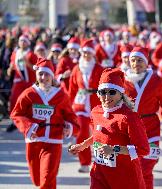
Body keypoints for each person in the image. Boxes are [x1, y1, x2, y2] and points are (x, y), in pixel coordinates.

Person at [69, 68, 150, 189]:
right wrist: (83, 145)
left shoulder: (128, 116)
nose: (106, 97)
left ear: (121, 94)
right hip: (99, 173)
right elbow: (98, 135)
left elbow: (143, 149)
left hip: (124, 176)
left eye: (112, 92)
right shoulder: (96, 111)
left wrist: (114, 149)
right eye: (103, 92)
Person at [10, 58, 80, 189]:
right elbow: (16, 114)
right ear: (36, 75)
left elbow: (72, 117)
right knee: (37, 179)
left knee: (47, 178)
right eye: (40, 74)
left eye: (47, 74)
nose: (43, 77)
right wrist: (28, 126)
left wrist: (69, 127)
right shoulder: (29, 93)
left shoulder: (61, 95)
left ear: (52, 76)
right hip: (33, 142)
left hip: (53, 142)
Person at [124, 46, 162, 189]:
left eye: (140, 60)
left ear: (146, 62)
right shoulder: (123, 80)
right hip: (129, 128)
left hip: (151, 128)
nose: (136, 63)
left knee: (146, 166)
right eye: (133, 60)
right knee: (132, 167)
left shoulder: (155, 80)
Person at [68, 39, 104, 173]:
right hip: (81, 104)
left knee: (99, 133)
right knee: (81, 132)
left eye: (89, 53)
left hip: (96, 103)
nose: (86, 55)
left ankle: (101, 161)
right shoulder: (76, 68)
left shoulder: (99, 68)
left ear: (93, 54)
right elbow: (72, 88)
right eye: (84, 53)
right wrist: (69, 106)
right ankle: (84, 162)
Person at [7, 34, 38, 132]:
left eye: (24, 41)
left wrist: (27, 63)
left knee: (29, 101)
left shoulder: (31, 54)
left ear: (28, 43)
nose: (22, 43)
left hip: (29, 82)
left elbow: (36, 69)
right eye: (20, 41)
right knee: (13, 100)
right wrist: (10, 69)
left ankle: (30, 122)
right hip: (18, 81)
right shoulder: (15, 53)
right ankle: (15, 121)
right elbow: (12, 65)